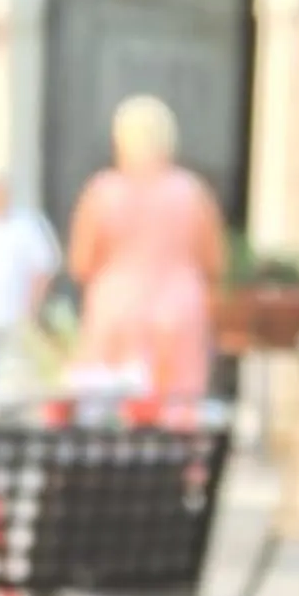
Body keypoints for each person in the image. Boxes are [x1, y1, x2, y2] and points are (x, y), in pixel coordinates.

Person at [66, 94, 226, 407]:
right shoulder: (193, 193)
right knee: (178, 409)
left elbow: (81, 263)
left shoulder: (102, 192)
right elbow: (214, 262)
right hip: (180, 311)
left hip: (116, 307)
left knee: (110, 410)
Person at [0, 171, 61, 391]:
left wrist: (33, 309)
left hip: (15, 316)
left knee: (15, 379)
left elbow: (44, 268)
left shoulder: (26, 225)